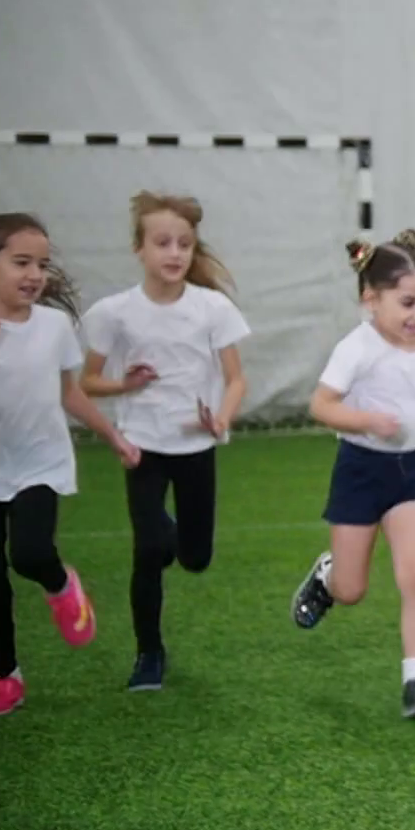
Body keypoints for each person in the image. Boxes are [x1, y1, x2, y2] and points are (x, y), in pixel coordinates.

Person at [288, 230, 415, 720]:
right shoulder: (357, 349)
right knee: (352, 590)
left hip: (411, 471)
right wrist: (367, 420)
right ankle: (328, 576)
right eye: (408, 303)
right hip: (361, 471)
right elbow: (321, 406)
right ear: (372, 299)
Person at [0, 212, 141, 717]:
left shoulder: (55, 325)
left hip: (38, 462)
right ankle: (6, 677)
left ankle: (60, 584)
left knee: (28, 551)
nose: (34, 275)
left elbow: (70, 393)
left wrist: (113, 436)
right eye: (21, 262)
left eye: (41, 264)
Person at [81, 192, 251, 691]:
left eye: (184, 244)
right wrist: (124, 386)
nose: (175, 253)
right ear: (140, 249)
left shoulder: (212, 308)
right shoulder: (115, 313)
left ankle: (175, 534)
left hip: (195, 448)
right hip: (142, 448)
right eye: (163, 243)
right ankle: (148, 654)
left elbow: (236, 379)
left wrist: (220, 418)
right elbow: (87, 383)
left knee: (195, 558)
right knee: (149, 549)